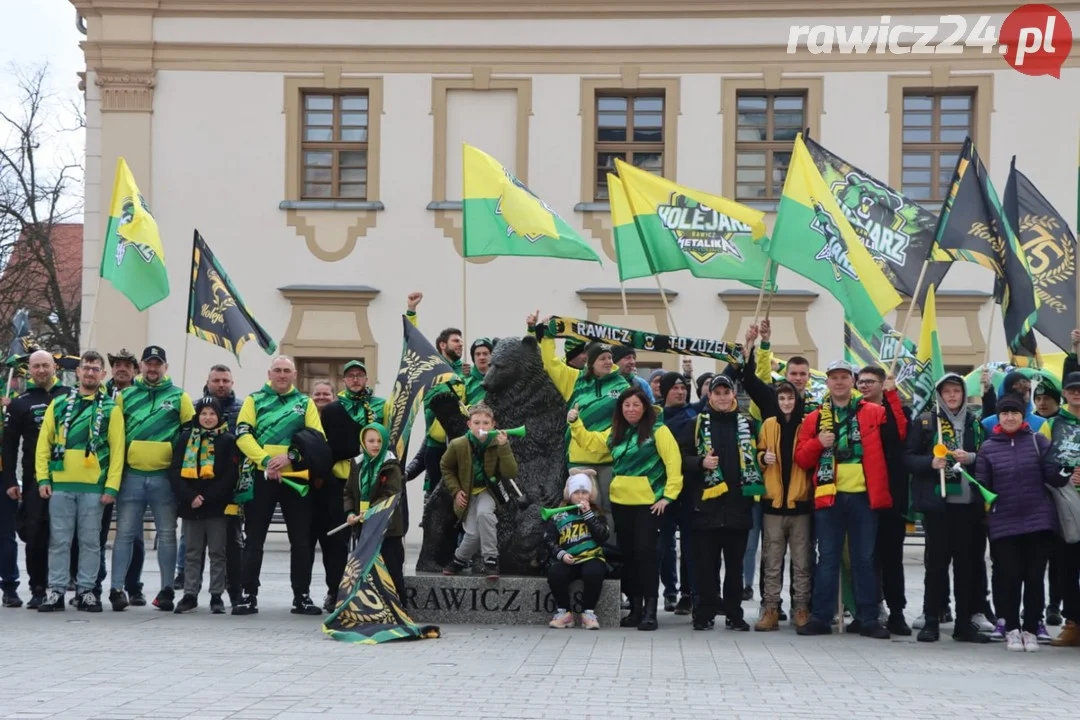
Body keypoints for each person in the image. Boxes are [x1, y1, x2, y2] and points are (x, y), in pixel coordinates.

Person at [569, 386, 682, 631]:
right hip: (621, 502)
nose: (631, 410)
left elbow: (674, 464)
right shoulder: (616, 432)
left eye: (636, 405)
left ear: (645, 408)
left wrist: (668, 497)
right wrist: (576, 423)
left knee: (646, 555)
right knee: (628, 557)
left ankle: (651, 612)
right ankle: (636, 608)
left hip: (649, 505)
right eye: (626, 405)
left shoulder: (659, 431)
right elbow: (592, 443)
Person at [795, 360, 892, 639]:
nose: (839, 382)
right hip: (829, 497)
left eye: (844, 377)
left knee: (864, 559)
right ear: (827, 382)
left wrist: (893, 394)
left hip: (864, 496)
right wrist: (818, 443)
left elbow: (896, 432)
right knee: (827, 559)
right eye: (834, 378)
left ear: (853, 381)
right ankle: (821, 618)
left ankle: (868, 618)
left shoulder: (873, 411)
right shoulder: (814, 418)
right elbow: (801, 458)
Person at [234, 355, 327, 616]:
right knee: (254, 539)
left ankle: (302, 596)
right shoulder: (254, 400)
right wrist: (266, 462)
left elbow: (317, 439)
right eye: (278, 370)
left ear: (294, 374)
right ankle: (248, 594)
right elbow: (242, 435)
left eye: (287, 370)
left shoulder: (304, 402)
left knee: (301, 540)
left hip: (295, 480)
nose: (282, 375)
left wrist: (291, 457)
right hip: (262, 479)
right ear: (269, 373)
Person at [35, 350, 125, 612]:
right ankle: (57, 590)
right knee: (59, 540)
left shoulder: (110, 408)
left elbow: (118, 450)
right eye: (86, 367)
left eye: (95, 369)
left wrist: (112, 485)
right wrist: (43, 478)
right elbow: (44, 444)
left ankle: (86, 591)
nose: (89, 372)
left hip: (94, 487)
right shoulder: (60, 403)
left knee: (90, 541)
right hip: (61, 483)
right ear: (77, 371)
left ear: (103, 374)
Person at [976, 394, 1065, 652]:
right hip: (1004, 524)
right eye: (1005, 413)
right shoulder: (989, 448)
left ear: (1023, 415)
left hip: (1038, 522)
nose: (1010, 417)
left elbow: (1053, 477)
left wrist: (1065, 469)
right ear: (998, 417)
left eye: (1015, 412)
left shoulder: (1039, 442)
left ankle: (1030, 628)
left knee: (1035, 578)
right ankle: (1012, 628)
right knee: (1009, 578)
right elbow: (983, 486)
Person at [906, 373, 990, 644]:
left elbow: (989, 457)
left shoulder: (975, 423)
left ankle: (964, 623)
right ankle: (932, 619)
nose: (952, 396)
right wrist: (929, 463)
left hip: (968, 507)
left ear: (964, 394)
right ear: (939, 395)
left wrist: (972, 458)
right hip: (938, 505)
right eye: (947, 392)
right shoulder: (927, 422)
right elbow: (906, 458)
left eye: (956, 391)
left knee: (966, 567)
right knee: (936, 566)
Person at [111, 346, 195, 612]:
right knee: (123, 534)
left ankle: (167, 589)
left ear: (166, 367)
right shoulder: (125, 396)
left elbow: (190, 440)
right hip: (132, 476)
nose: (153, 368)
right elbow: (114, 437)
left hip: (164, 478)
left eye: (158, 364)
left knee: (167, 535)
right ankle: (116, 589)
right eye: (149, 363)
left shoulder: (180, 397)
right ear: (141, 367)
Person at [679, 369, 763, 632]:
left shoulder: (747, 424)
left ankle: (734, 613)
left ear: (733, 395)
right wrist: (700, 462)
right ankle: (703, 613)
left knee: (735, 567)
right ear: (710, 396)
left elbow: (759, 457)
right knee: (706, 566)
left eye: (727, 392)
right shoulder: (695, 424)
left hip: (738, 507)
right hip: (706, 507)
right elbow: (679, 459)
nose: (723, 397)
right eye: (718, 393)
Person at [533, 311, 631, 531]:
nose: (608, 362)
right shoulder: (574, 380)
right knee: (581, 507)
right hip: (580, 459)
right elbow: (551, 364)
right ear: (591, 362)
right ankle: (583, 554)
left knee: (608, 507)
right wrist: (547, 336)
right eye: (602, 358)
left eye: (610, 358)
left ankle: (610, 554)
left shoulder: (622, 385)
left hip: (609, 458)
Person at [2, 350, 69, 609]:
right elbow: (9, 446)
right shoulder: (21, 402)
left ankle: (64, 586)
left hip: (67, 476)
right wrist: (10, 481)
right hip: (33, 479)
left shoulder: (69, 396)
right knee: (35, 535)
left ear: (55, 367)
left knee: (64, 535)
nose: (41, 370)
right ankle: (38, 587)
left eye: (45, 365)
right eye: (36, 366)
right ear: (29, 370)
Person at [855, 366, 911, 636]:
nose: (864, 385)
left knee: (891, 558)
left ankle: (897, 611)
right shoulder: (853, 411)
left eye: (870, 381)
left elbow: (897, 435)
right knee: (865, 558)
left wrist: (892, 397)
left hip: (891, 497)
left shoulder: (897, 411)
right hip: (859, 494)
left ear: (882, 384)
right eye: (861, 381)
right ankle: (867, 610)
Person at [169, 397, 237, 615]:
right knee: (192, 552)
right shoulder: (185, 438)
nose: (208, 418)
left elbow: (230, 475)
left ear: (219, 417)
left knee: (218, 551)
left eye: (212, 414)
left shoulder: (227, 440)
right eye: (204, 413)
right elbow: (175, 470)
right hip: (192, 505)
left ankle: (216, 594)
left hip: (216, 506)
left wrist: (208, 497)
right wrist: (191, 496)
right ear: (197, 416)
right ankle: (190, 593)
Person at [755, 380, 812, 631]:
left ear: (797, 400)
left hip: (800, 505)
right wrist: (762, 458)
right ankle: (771, 608)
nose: (786, 403)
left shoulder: (807, 423)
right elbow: (755, 456)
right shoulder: (768, 425)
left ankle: (801, 607)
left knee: (802, 561)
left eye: (790, 399)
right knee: (772, 559)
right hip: (773, 505)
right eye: (782, 399)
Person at [441, 404, 518, 580]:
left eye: (486, 422)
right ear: (469, 424)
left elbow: (511, 472)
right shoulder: (458, 444)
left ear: (493, 425)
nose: (481, 427)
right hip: (467, 493)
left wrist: (504, 447)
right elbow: (446, 467)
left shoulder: (497, 443)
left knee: (484, 514)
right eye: (477, 422)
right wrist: (456, 490)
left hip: (488, 492)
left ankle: (491, 560)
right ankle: (459, 560)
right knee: (473, 534)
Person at [344, 422, 406, 597]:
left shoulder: (391, 465)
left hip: (388, 527)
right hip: (363, 526)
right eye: (371, 441)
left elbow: (391, 493)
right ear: (363, 442)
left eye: (379, 441)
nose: (376, 445)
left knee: (392, 568)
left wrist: (371, 510)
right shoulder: (357, 463)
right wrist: (350, 512)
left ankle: (399, 605)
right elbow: (348, 491)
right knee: (366, 569)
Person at [544, 469, 609, 630]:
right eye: (576, 492)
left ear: (590, 494)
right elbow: (549, 539)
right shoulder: (559, 515)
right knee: (555, 573)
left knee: (593, 572)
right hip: (569, 558)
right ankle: (565, 613)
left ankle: (588, 613)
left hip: (592, 557)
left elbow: (602, 535)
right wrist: (561, 554)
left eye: (584, 492)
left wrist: (588, 515)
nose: (580, 496)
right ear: (569, 494)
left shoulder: (596, 513)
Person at [203, 363, 245, 607]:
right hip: (202, 485)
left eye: (225, 381)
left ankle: (235, 589)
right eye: (216, 380)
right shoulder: (198, 407)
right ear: (208, 381)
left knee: (233, 540)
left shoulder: (241, 408)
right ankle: (190, 588)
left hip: (232, 485)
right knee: (194, 543)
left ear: (232, 383)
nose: (221, 385)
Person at [657, 371, 696, 615]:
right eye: (675, 388)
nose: (680, 392)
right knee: (664, 544)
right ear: (665, 390)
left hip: (689, 489)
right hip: (662, 490)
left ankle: (687, 594)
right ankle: (669, 591)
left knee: (690, 546)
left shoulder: (694, 414)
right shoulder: (655, 416)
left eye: (683, 388)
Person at [1050, 372, 1080, 647]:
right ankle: (1072, 624)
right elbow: (1043, 463)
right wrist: (1065, 474)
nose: (1076, 393)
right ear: (1065, 393)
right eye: (1072, 389)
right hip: (1064, 503)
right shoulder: (1053, 424)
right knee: (1066, 567)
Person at [465, 338, 495, 406]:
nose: (482, 357)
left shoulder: (500, 381)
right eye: (478, 354)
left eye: (485, 353)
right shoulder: (466, 384)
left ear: (492, 355)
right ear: (473, 358)